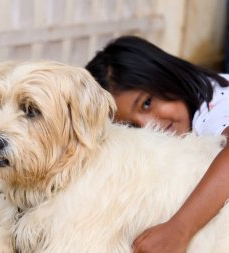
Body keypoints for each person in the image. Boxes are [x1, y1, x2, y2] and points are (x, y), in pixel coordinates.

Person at [85, 35, 229, 253]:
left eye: (147, 103)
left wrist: (179, 229)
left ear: (164, 74)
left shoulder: (212, 109)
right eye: (132, 127)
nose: (149, 125)